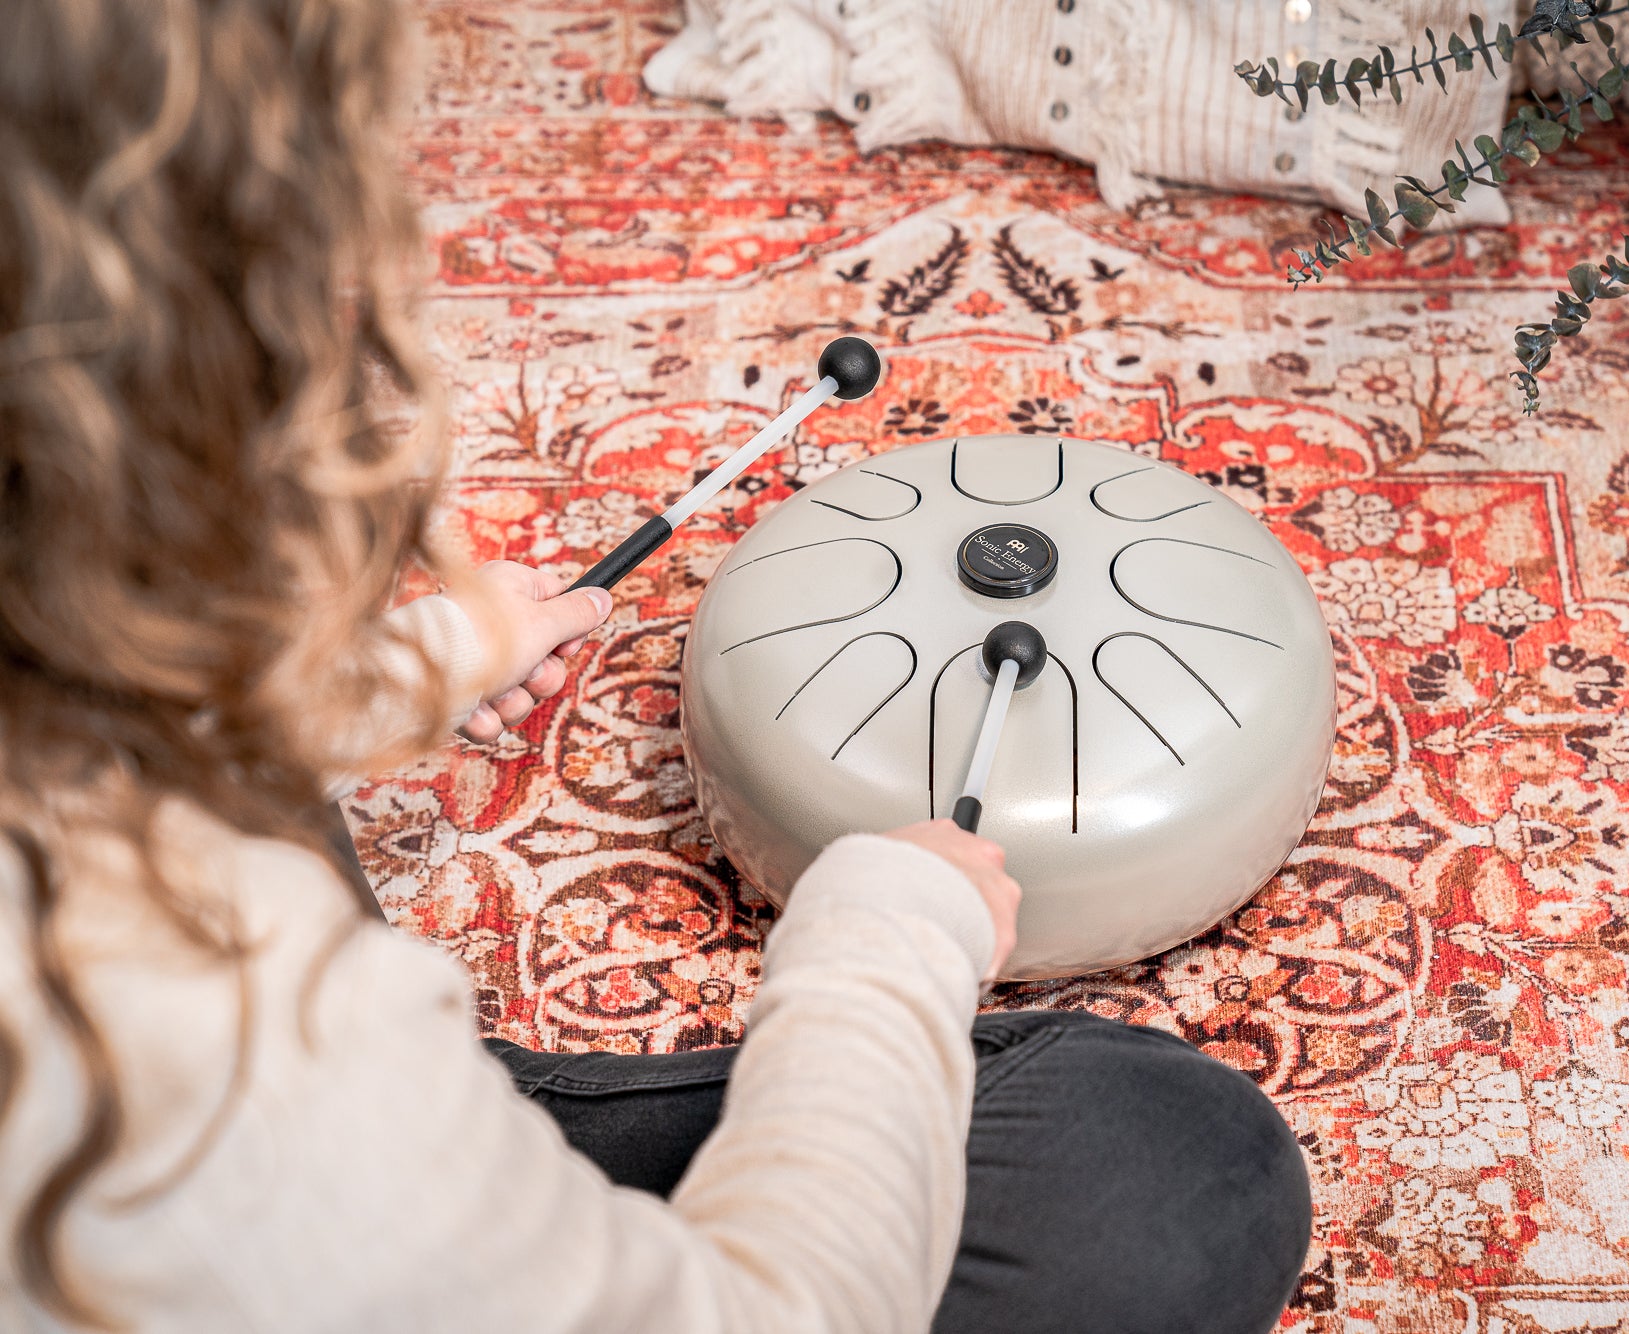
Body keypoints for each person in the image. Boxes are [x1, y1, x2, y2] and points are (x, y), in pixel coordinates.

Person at [0, 2, 1313, 1332]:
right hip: (308, 1223)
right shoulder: (227, 1041)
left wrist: (378, 676)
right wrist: (882, 937)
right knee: (1175, 1169)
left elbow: (88, 742)